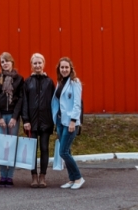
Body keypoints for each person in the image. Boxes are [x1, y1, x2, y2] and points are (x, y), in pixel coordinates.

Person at [21, 53, 55, 188]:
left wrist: (54, 119)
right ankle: (34, 176)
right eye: (35, 63)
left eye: (39, 63)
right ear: (31, 65)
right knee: (32, 149)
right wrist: (25, 120)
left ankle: (43, 176)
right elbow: (24, 102)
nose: (37, 65)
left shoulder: (49, 82)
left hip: (46, 120)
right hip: (32, 122)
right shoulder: (27, 82)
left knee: (44, 148)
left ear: (43, 64)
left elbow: (54, 102)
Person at [51, 57, 84, 190]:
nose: (64, 69)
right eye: (62, 67)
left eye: (66, 67)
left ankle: (79, 177)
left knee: (63, 152)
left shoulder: (75, 82)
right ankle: (72, 179)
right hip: (60, 121)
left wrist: (73, 121)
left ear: (71, 69)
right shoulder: (60, 82)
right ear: (59, 69)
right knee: (67, 151)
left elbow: (77, 104)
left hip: (70, 122)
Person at [0, 52, 24, 187]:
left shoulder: (19, 79)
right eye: (2, 62)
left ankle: (10, 176)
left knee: (11, 146)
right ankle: (3, 175)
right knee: (2, 146)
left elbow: (20, 99)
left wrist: (15, 117)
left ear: (12, 62)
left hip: (12, 117)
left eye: (7, 61)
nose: (5, 63)